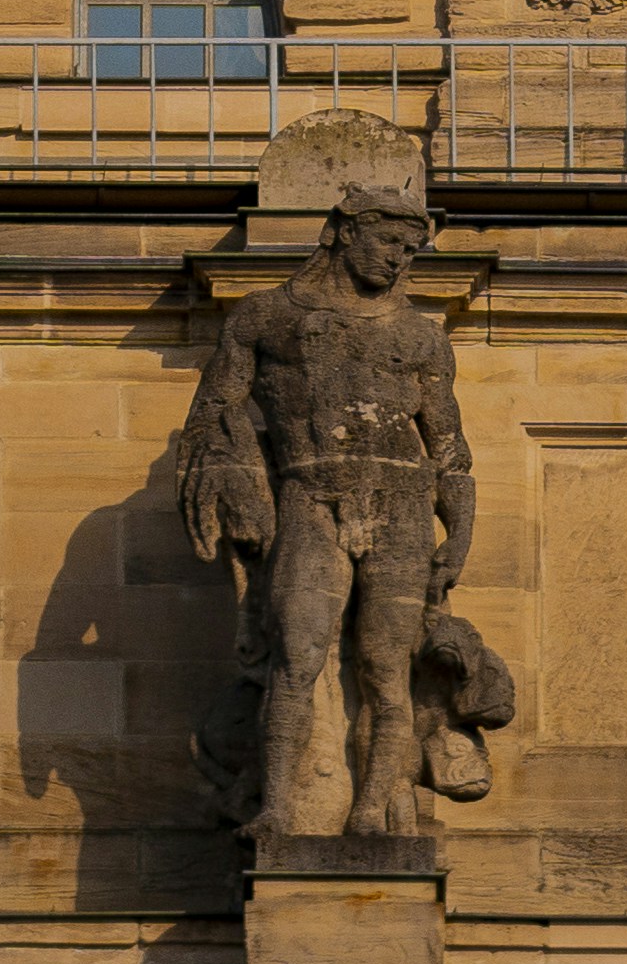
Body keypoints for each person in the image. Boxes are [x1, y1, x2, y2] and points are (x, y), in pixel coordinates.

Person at [170, 170, 487, 838]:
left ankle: (373, 807)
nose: (397, 257)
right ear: (341, 232)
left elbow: (450, 450)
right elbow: (212, 413)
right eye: (386, 239)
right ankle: (278, 806)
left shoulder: (422, 337)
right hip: (309, 496)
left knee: (386, 668)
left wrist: (455, 537)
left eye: (409, 247)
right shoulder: (265, 316)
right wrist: (234, 483)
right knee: (295, 656)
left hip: (402, 506)